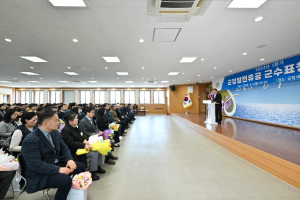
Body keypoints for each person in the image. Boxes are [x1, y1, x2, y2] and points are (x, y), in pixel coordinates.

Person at [21, 110, 86, 200]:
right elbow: (36, 165)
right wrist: (59, 169)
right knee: (65, 181)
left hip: (55, 162)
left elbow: (64, 147)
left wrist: (69, 159)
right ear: (46, 123)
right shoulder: (31, 139)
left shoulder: (54, 132)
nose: (58, 123)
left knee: (80, 166)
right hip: (40, 173)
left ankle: (74, 194)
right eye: (56, 120)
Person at [61, 113, 106, 181]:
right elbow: (71, 144)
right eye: (76, 118)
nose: (77, 119)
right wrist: (84, 145)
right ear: (70, 121)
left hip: (82, 146)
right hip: (75, 150)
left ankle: (97, 166)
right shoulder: (66, 130)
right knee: (94, 154)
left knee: (98, 150)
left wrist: (85, 139)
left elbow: (83, 134)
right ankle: (91, 172)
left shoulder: (77, 126)